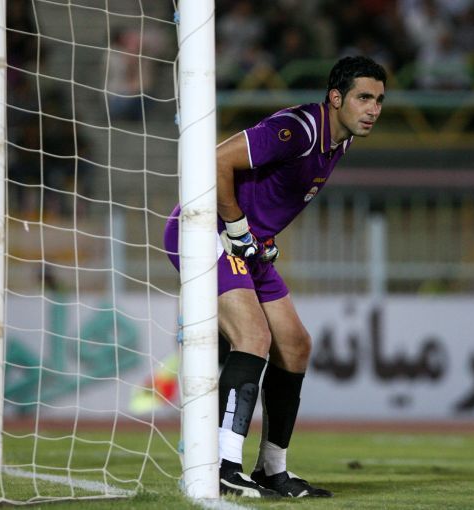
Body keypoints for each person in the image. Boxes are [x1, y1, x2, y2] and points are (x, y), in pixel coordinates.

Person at [164, 56, 386, 498]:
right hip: (205, 230)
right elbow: (215, 161)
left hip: (248, 245)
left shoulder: (339, 142)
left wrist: (255, 237)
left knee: (296, 345)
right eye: (364, 97)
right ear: (336, 97)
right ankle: (223, 466)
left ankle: (271, 469)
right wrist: (238, 228)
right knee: (253, 336)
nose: (373, 109)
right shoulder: (298, 129)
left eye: (379, 101)